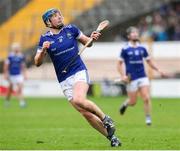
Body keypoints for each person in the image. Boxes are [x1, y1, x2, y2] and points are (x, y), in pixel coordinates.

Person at [34, 8, 121, 147]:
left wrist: (92, 37)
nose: (59, 17)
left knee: (79, 99)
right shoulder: (45, 39)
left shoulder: (71, 29)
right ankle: (112, 138)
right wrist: (43, 50)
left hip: (78, 71)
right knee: (85, 113)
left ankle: (106, 119)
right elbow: (37, 63)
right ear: (48, 22)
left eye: (60, 15)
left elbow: (88, 42)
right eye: (55, 16)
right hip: (63, 80)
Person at [117, 26, 167, 125]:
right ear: (128, 36)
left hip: (142, 76)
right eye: (133, 33)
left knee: (146, 98)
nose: (135, 34)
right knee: (133, 102)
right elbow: (119, 64)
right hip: (131, 78)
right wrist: (123, 75)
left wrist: (158, 70)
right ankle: (126, 104)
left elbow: (149, 61)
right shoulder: (125, 49)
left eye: (136, 33)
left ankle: (148, 118)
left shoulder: (142, 48)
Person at [3, 42, 27, 107]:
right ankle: (7, 101)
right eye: (15, 48)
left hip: (19, 75)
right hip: (11, 75)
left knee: (20, 88)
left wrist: (25, 74)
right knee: (10, 90)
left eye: (18, 48)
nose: (17, 49)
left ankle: (22, 102)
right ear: (13, 49)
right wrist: (6, 74)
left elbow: (23, 65)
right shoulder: (10, 56)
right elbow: (6, 66)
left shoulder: (21, 56)